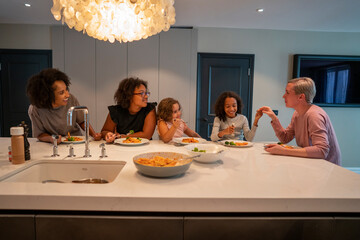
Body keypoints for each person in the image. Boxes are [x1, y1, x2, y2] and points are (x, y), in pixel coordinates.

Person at [258, 77, 341, 165]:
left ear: (301, 97)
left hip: (326, 167)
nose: (283, 96)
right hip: (312, 163)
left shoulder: (314, 115)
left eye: (287, 92)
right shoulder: (297, 114)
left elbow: (322, 151)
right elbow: (285, 138)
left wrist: (284, 151)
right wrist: (274, 118)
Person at [26, 68, 102, 144]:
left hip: (75, 141)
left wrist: (93, 134)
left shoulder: (71, 99)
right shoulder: (35, 109)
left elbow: (81, 120)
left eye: (66, 89)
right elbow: (39, 134)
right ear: (47, 95)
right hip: (51, 144)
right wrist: (52, 139)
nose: (67, 95)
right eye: (61, 92)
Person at [101, 77, 156, 143]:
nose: (146, 96)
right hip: (122, 147)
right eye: (141, 93)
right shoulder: (116, 111)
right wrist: (108, 135)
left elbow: (147, 135)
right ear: (129, 95)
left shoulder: (149, 109)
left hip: (144, 148)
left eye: (146, 93)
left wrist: (121, 137)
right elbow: (104, 131)